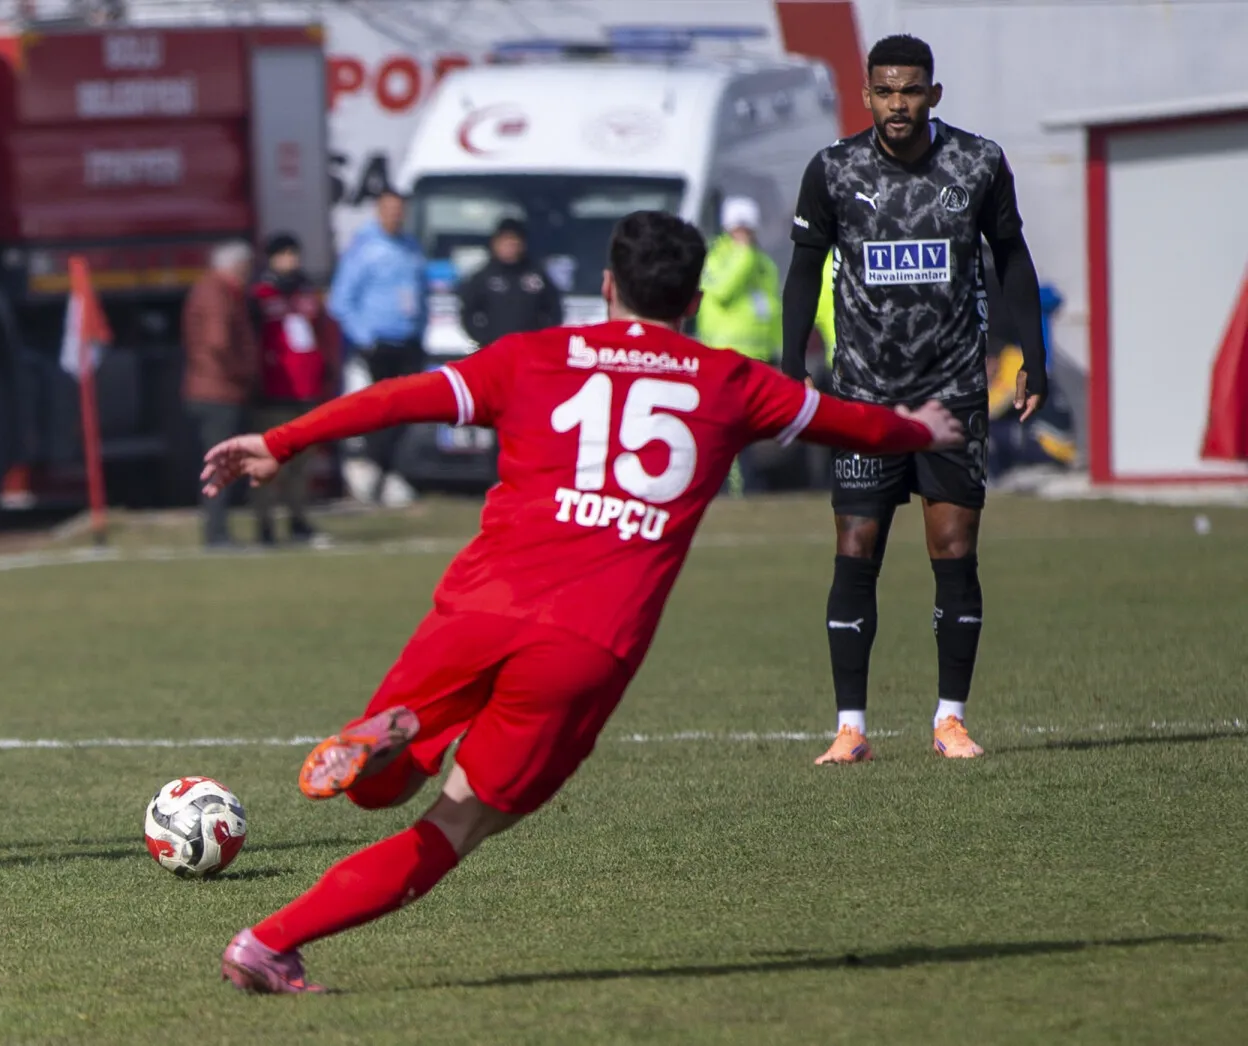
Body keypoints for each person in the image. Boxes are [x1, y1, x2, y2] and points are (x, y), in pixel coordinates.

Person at [200, 211, 965, 993]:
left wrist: (281, 442)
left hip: (476, 606)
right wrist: (920, 429)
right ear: (695, 300)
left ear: (606, 287)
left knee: (378, 791)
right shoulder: (730, 382)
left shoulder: (531, 357)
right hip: (581, 642)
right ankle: (268, 943)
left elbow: (398, 399)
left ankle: (390, 744)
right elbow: (851, 426)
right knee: (458, 823)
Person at [778, 34, 1049, 765]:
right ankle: (850, 728)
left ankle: (950, 720)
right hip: (865, 398)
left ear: (933, 94)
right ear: (867, 95)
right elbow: (804, 271)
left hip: (954, 390)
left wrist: (1035, 359)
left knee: (953, 549)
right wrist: (789, 364)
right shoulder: (833, 170)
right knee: (855, 549)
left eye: (912, 90)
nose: (899, 103)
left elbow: (1013, 259)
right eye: (886, 90)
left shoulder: (978, 163)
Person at [327, 190, 426, 504]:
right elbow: (340, 301)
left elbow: (420, 294)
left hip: (407, 341)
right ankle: (376, 474)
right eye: (389, 209)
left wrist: (419, 332)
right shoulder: (365, 248)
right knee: (382, 411)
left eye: (400, 210)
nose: (395, 215)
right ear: (378, 211)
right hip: (378, 343)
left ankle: (388, 472)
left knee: (407, 412)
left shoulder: (410, 247)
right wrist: (365, 337)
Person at [249, 232, 338, 546]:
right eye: (284, 254)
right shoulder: (259, 295)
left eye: (294, 254)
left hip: (307, 389)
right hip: (273, 390)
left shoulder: (306, 293)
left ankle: (298, 519)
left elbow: (323, 332)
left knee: (302, 464)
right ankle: (265, 524)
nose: (291, 260)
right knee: (270, 462)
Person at [698, 197, 784, 495]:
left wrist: (775, 351)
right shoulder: (717, 257)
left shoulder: (764, 263)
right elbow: (722, 291)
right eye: (739, 227)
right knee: (729, 425)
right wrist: (743, 255)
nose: (744, 234)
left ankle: (745, 483)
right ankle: (736, 488)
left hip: (760, 357)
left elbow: (770, 310)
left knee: (752, 428)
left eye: (748, 228)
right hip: (726, 355)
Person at [182, 240, 260, 547]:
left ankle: (218, 531)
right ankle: (216, 533)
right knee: (220, 466)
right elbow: (218, 342)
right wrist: (244, 371)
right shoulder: (218, 293)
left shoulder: (209, 289)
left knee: (219, 464)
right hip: (218, 392)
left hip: (209, 389)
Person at [457, 217, 562, 347]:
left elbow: (554, 309)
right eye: (505, 242)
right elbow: (467, 312)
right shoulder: (483, 277)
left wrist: (542, 338)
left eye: (514, 242)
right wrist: (483, 339)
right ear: (495, 244)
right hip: (495, 350)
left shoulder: (537, 275)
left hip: (530, 349)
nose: (510, 247)